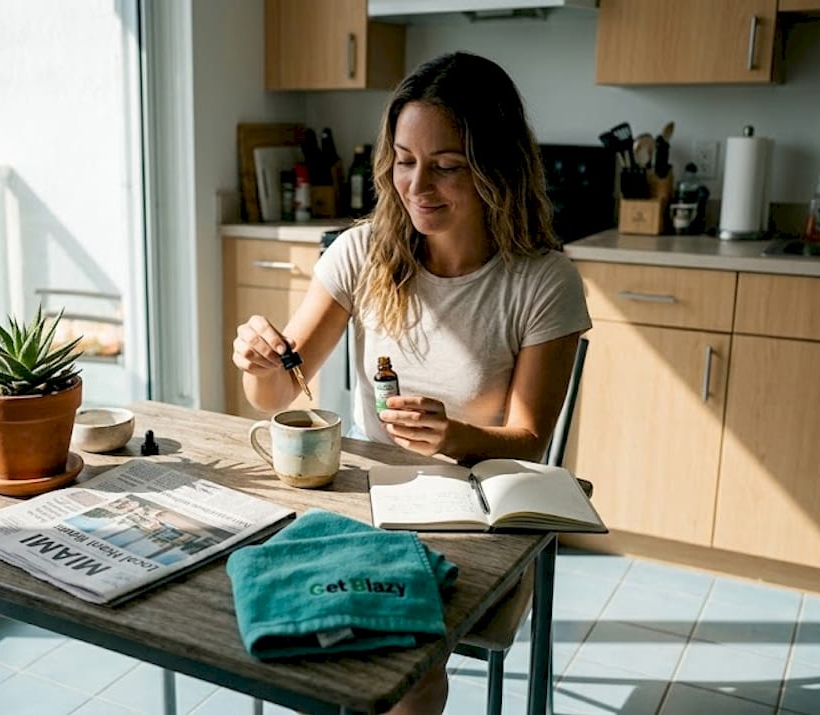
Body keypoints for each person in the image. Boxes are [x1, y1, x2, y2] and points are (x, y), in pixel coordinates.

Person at [232, 51, 591, 715]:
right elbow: (281, 394)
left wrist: (453, 436)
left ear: (496, 167)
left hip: (480, 518)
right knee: (278, 622)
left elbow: (529, 441)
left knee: (409, 669)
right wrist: (260, 366)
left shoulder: (543, 281)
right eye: (403, 160)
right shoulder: (362, 252)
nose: (418, 185)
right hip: (371, 505)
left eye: (447, 165)